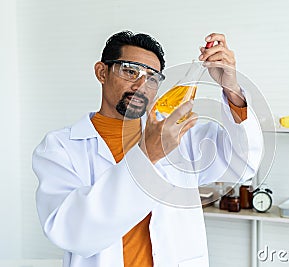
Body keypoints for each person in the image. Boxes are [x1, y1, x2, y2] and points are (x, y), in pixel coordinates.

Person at [32, 30, 263, 267]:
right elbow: (71, 231)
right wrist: (147, 155)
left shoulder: (181, 133)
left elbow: (242, 163)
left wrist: (231, 88)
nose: (142, 85)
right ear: (102, 72)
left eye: (152, 78)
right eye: (131, 71)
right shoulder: (60, 148)